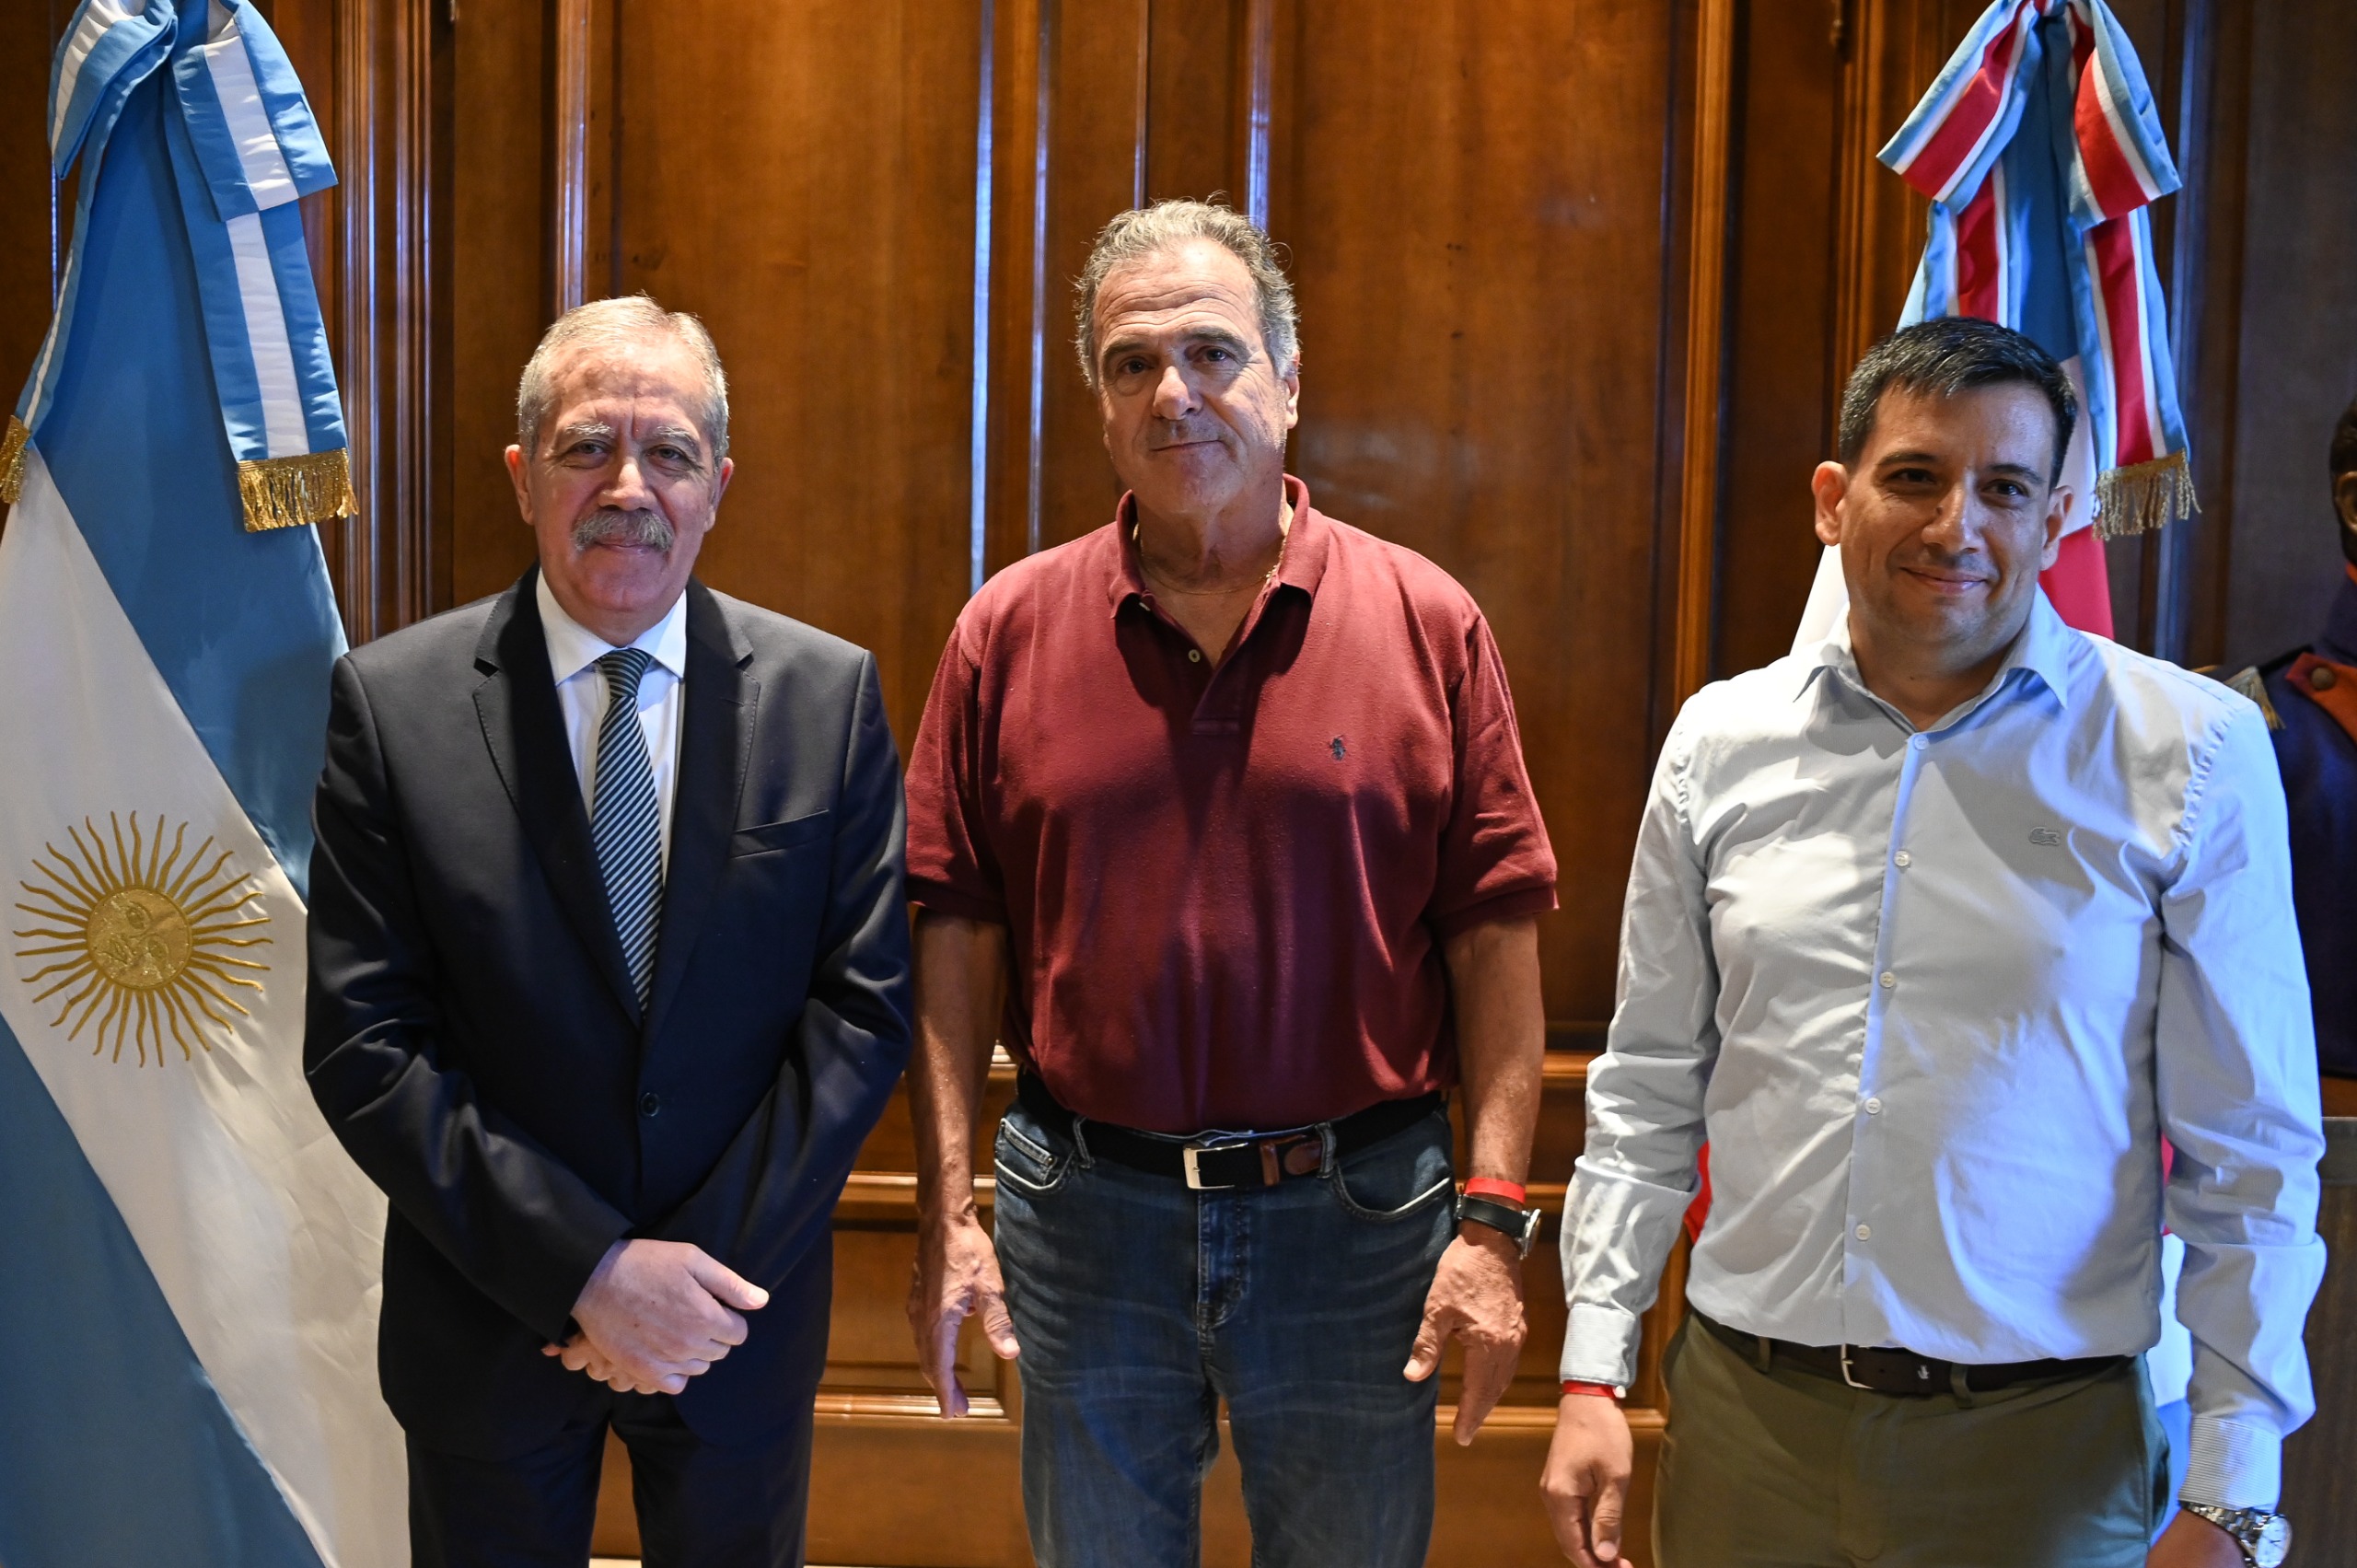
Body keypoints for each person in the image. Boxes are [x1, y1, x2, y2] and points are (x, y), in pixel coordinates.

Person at [1539, 317, 2323, 1568]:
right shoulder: (1718, 745)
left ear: (2057, 519)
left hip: (2047, 1456)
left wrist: (2231, 1487)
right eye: (1915, 476)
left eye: (2005, 488)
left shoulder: (2192, 753)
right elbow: (1647, 1088)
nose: (1959, 526)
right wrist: (1592, 1367)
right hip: (1751, 1430)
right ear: (1832, 501)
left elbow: (2251, 1151)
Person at [901, 199, 1558, 1567]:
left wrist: (1494, 1225)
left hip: (1358, 1221)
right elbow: (952, 936)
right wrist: (947, 1213)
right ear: (1099, 404)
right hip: (1086, 1215)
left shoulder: (1427, 622)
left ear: (1289, 381)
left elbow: (1493, 943)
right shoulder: (1003, 632)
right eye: (1132, 363)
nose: (1173, 392)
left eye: (1212, 351)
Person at [306, 296, 911, 1568]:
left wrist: (687, 1287)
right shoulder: (392, 707)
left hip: (736, 1317)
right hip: (492, 1320)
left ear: (717, 486)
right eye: (588, 446)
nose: (628, 487)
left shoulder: (828, 696)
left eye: (670, 452)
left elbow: (859, 1014)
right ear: (524, 475)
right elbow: (366, 1044)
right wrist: (586, 1271)